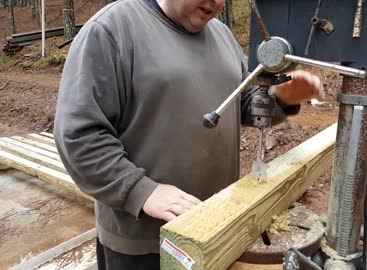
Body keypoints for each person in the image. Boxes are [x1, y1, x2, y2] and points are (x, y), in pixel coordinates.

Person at [54, 0, 324, 269]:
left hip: (215, 230)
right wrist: (141, 191)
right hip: (143, 245)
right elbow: (80, 134)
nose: (217, 2)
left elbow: (240, 104)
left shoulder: (222, 34)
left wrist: (282, 98)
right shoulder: (112, 29)